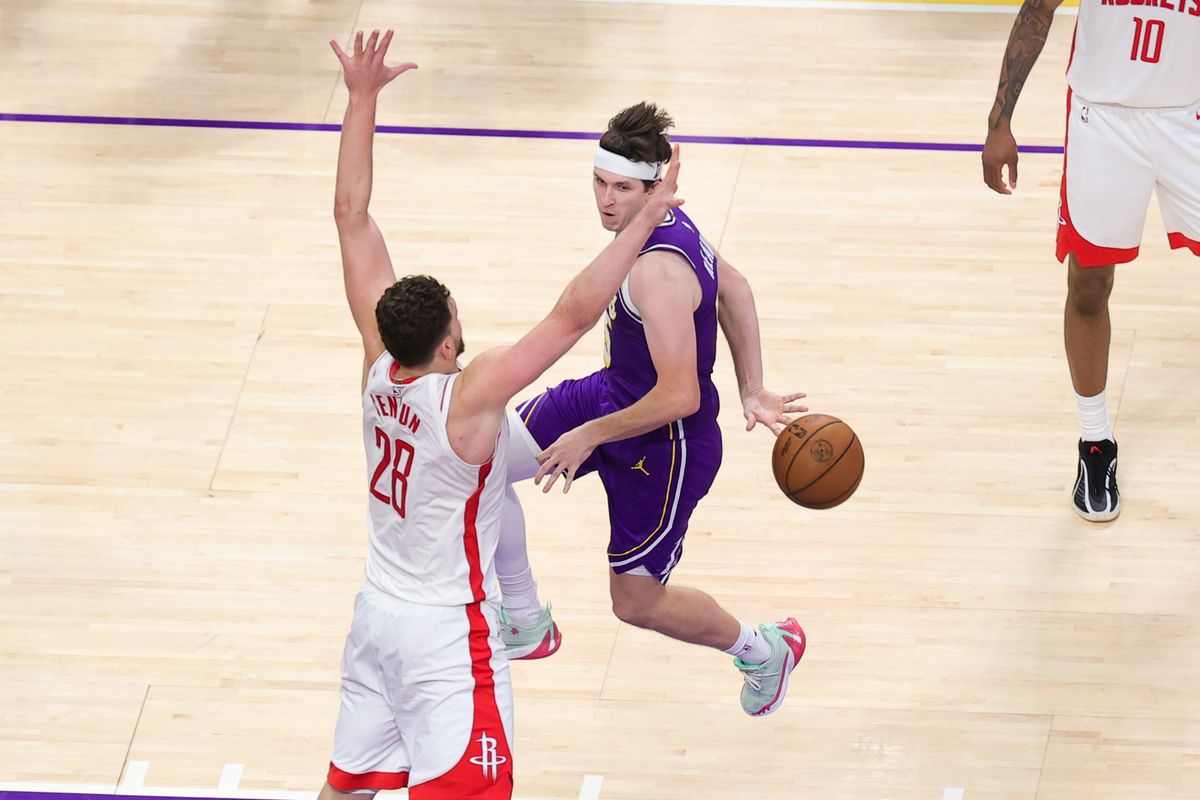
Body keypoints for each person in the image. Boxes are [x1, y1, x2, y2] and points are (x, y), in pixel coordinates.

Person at [320, 31, 683, 800]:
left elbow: (352, 216)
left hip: (376, 614)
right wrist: (646, 221)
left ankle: (526, 612)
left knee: (347, 788)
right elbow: (573, 316)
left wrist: (360, 100)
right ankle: (522, 617)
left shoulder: (375, 365)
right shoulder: (469, 399)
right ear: (450, 340)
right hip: (445, 633)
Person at [496, 102, 809, 717]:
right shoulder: (661, 225)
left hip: (667, 444)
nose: (606, 200)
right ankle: (524, 618)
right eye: (600, 182)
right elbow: (735, 288)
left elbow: (679, 396)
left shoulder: (657, 271)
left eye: (622, 188)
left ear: (653, 188)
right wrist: (752, 386)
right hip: (615, 395)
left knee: (634, 603)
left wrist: (587, 434)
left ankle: (765, 649)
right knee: (474, 452)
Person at [982, 0, 1200, 521]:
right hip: (1102, 121)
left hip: (1188, 116)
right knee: (1088, 286)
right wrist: (999, 121)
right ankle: (1095, 443)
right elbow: (1037, 11)